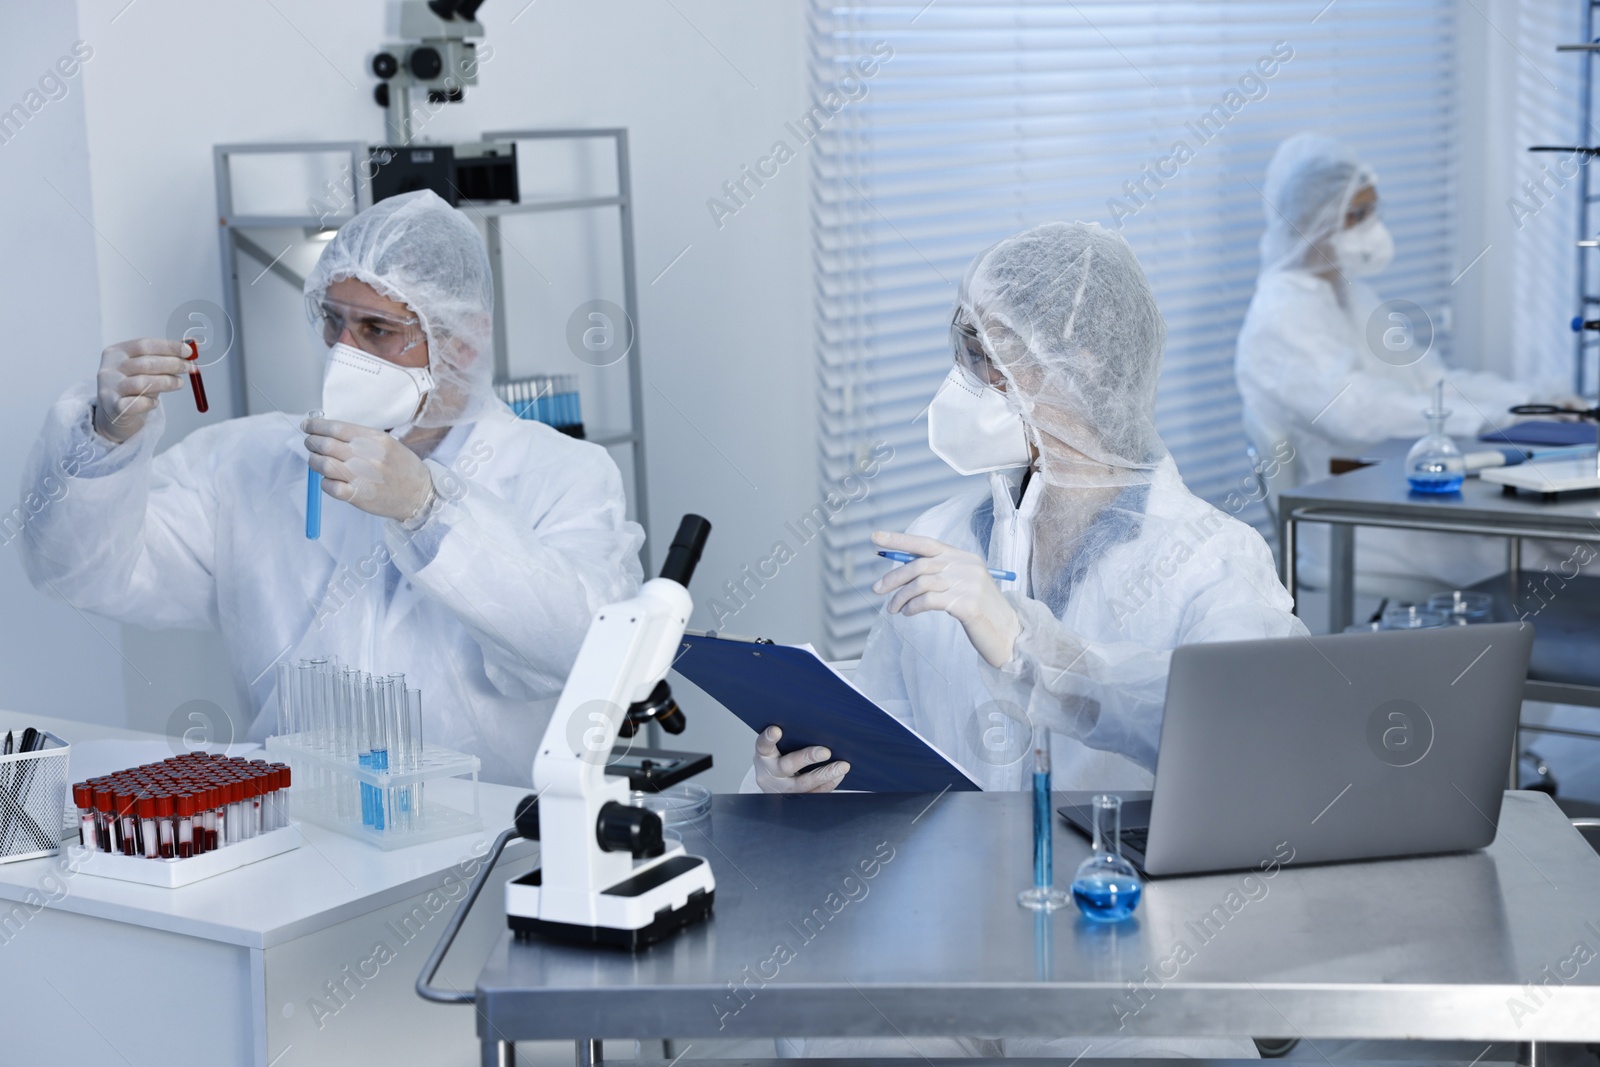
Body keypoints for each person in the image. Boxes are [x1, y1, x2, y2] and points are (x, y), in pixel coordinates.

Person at [750, 221, 1303, 1059]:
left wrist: (1028, 645)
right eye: (965, 349)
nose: (963, 383)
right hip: (950, 939)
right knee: (818, 1036)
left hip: (1134, 951)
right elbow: (883, 734)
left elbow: (1246, 740)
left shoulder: (1212, 558)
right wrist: (801, 781)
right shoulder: (941, 541)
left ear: (1078, 372)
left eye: (989, 360)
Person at [19, 190, 643, 785]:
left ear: (463, 339)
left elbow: (588, 651)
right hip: (300, 834)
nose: (343, 350)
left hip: (488, 839)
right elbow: (82, 574)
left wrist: (429, 509)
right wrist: (104, 440)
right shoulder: (251, 462)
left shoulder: (562, 475)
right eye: (333, 320)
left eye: (376, 330)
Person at [1235, 132, 1563, 595]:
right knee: (1550, 549)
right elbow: (1361, 415)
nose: (1371, 226)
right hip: (1354, 515)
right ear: (1312, 221)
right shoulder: (1281, 317)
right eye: (1357, 215)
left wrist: (1538, 404)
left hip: (1402, 489)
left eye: (1372, 212)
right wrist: (1497, 421)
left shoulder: (1349, 294)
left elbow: (1431, 382)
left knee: (1552, 541)